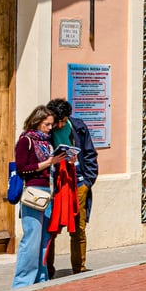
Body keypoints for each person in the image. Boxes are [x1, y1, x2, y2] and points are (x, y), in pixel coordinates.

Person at [45, 97, 98, 275]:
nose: (60, 125)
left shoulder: (78, 126)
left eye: (63, 121)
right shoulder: (46, 130)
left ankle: (79, 269)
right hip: (56, 184)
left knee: (78, 228)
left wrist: (88, 182)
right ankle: (48, 270)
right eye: (57, 122)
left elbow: (90, 153)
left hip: (79, 182)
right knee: (51, 228)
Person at [11, 106, 56, 289]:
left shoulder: (46, 142)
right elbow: (22, 167)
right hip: (33, 192)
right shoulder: (26, 141)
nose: (50, 128)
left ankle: (41, 278)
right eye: (47, 124)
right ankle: (23, 282)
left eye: (51, 125)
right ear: (37, 122)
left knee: (45, 239)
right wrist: (48, 162)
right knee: (32, 238)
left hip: (48, 191)